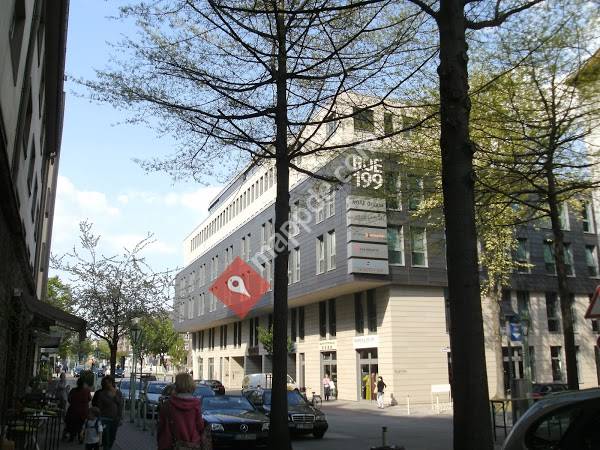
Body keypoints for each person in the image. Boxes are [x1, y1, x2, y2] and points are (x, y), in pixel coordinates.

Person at [157, 372, 206, 450]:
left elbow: (162, 426)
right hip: (192, 444)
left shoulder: (168, 404)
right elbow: (200, 426)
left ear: (177, 385)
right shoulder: (196, 404)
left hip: (173, 444)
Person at [92, 375, 123, 450]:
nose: (107, 384)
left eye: (109, 382)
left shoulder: (118, 392)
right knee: (106, 438)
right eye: (105, 383)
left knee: (112, 437)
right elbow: (99, 407)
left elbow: (120, 406)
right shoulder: (102, 394)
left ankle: (108, 447)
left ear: (112, 383)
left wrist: (120, 417)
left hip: (115, 419)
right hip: (104, 419)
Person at [64, 377, 92, 442]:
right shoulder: (87, 391)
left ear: (77, 383)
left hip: (73, 410)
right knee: (81, 424)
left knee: (72, 424)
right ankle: (80, 437)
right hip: (83, 411)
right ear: (83, 384)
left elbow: (69, 399)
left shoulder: (73, 390)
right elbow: (90, 399)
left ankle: (72, 437)